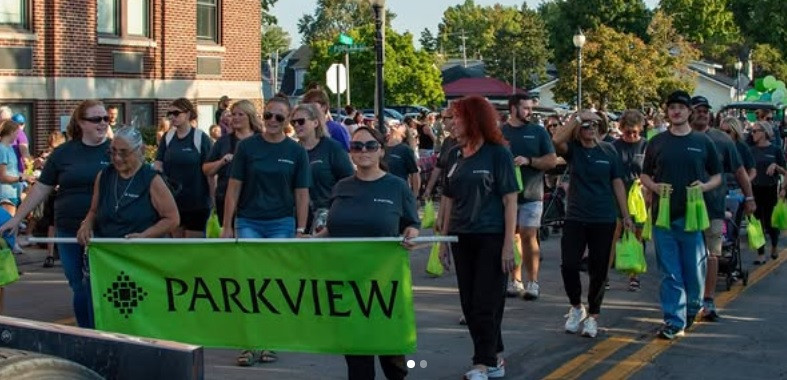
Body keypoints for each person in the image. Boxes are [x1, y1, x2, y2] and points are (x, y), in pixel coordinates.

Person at [314, 126, 419, 380]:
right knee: (357, 358)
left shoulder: (396, 186)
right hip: (346, 283)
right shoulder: (341, 187)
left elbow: (412, 223)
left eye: (370, 146)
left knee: (391, 357)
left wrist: (412, 234)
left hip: (383, 284)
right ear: (350, 151)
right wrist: (308, 242)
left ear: (381, 150)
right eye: (357, 146)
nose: (364, 151)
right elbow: (332, 227)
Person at [0, 100, 112, 328]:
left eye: (105, 119)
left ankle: (106, 330)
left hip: (105, 228)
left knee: (102, 283)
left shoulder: (115, 150)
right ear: (81, 123)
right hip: (68, 228)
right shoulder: (63, 153)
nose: (102, 123)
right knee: (78, 283)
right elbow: (42, 188)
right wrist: (17, 218)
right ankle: (86, 333)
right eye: (96, 119)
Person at [221, 96, 310, 366]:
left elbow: (302, 193)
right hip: (249, 221)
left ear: (288, 121)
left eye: (279, 118)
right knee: (250, 282)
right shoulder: (247, 147)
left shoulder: (296, 152)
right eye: (269, 115)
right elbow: (233, 188)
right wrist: (227, 225)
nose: (272, 121)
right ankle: (249, 344)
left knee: (273, 282)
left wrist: (301, 228)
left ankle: (270, 341)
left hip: (281, 222)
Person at [438, 96, 518, 379]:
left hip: (491, 236)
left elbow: (510, 201)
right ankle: (494, 356)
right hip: (462, 237)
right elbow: (448, 198)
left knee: (486, 302)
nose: (450, 123)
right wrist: (443, 241)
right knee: (470, 304)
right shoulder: (454, 154)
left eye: (455, 117)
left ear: (473, 119)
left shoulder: (499, 154)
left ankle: (481, 363)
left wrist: (509, 245)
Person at [641, 90, 722, 340]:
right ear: (668, 112)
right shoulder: (657, 141)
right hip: (663, 217)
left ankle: (691, 308)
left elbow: (718, 175)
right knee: (670, 272)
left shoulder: (703, 142)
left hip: (693, 218)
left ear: (689, 111)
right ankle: (674, 320)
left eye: (681, 107)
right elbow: (644, 174)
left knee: (694, 271)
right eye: (672, 107)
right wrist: (653, 187)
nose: (676, 111)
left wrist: (704, 186)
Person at [552, 110, 631, 338]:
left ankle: (593, 316)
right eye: (586, 126)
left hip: (603, 217)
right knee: (569, 265)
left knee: (599, 270)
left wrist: (625, 214)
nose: (591, 129)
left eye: (595, 125)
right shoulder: (574, 150)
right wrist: (577, 118)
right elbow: (556, 140)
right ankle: (576, 307)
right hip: (576, 216)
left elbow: (617, 182)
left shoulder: (608, 151)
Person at [689, 96, 755, 322]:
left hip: (714, 206)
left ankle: (708, 300)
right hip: (683, 209)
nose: (702, 113)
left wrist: (749, 197)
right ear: (689, 112)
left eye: (705, 110)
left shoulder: (722, 140)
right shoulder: (677, 138)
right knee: (687, 255)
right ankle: (690, 299)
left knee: (712, 254)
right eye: (697, 109)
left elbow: (740, 172)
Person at [76, 126, 179, 243]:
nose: (117, 158)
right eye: (113, 151)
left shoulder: (152, 179)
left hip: (139, 251)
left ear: (140, 150)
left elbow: (172, 219)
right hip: (107, 251)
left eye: (124, 153)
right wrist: (87, 224)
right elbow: (94, 210)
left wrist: (144, 236)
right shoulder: (104, 175)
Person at [500, 93, 557, 300]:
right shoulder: (500, 132)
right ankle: (515, 281)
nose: (530, 112)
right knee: (512, 235)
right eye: (525, 108)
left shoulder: (538, 132)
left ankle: (533, 282)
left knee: (528, 234)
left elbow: (551, 161)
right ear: (513, 109)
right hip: (506, 196)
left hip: (532, 194)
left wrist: (529, 160)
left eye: (531, 108)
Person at [154, 98, 213, 238]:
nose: (172, 117)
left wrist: (213, 197)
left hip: (197, 202)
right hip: (173, 202)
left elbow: (210, 171)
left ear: (187, 114)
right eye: (170, 114)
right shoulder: (168, 137)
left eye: (176, 113)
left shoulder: (200, 138)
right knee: (176, 246)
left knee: (193, 248)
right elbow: (158, 163)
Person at [292, 103, 354, 233]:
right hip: (299, 217)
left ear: (315, 123)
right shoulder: (293, 151)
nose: (296, 125)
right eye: (293, 122)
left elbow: (349, 180)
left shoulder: (332, 148)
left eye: (301, 121)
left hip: (327, 214)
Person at [203, 100, 260, 226]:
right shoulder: (223, 142)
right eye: (233, 114)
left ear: (250, 116)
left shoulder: (261, 139)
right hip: (226, 198)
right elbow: (206, 169)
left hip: (255, 200)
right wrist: (221, 162)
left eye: (240, 114)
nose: (236, 118)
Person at [610, 110, 648, 292]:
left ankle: (634, 274)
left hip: (638, 196)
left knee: (637, 236)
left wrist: (645, 183)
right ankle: (605, 276)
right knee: (614, 234)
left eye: (635, 132)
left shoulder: (645, 146)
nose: (632, 136)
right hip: (617, 194)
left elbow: (651, 171)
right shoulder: (614, 146)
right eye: (627, 132)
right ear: (621, 129)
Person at [749, 120, 786, 264]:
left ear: (764, 133)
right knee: (757, 222)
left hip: (770, 189)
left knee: (771, 222)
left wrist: (776, 166)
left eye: (755, 131)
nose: (752, 134)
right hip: (755, 189)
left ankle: (775, 246)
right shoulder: (751, 150)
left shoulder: (775, 150)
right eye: (752, 131)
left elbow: (785, 171)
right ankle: (761, 253)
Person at [422, 107, 457, 202]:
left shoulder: (464, 143)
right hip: (447, 192)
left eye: (444, 118)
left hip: (460, 194)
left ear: (455, 119)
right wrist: (428, 189)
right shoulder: (447, 141)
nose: (442, 121)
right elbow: (439, 166)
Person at [384, 123, 420, 197]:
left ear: (404, 134)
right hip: (383, 189)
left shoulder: (405, 149)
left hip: (399, 191)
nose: (396, 125)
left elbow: (414, 173)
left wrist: (415, 196)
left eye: (399, 125)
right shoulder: (381, 147)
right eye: (396, 124)